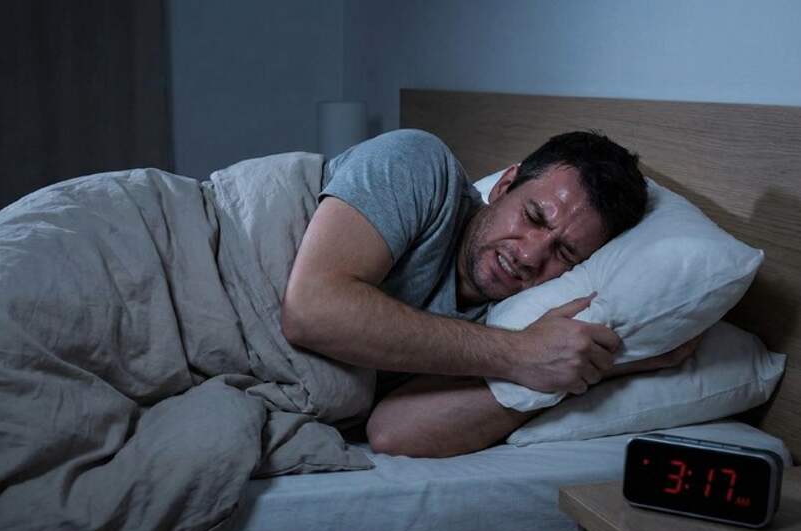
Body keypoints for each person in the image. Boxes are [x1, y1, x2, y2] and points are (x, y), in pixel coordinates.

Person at [281, 129, 698, 458]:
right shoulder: (420, 165)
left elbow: (392, 432)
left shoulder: (511, 320)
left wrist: (597, 366)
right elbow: (311, 308)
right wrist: (520, 354)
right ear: (504, 185)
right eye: (533, 217)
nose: (529, 255)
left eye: (564, 252)